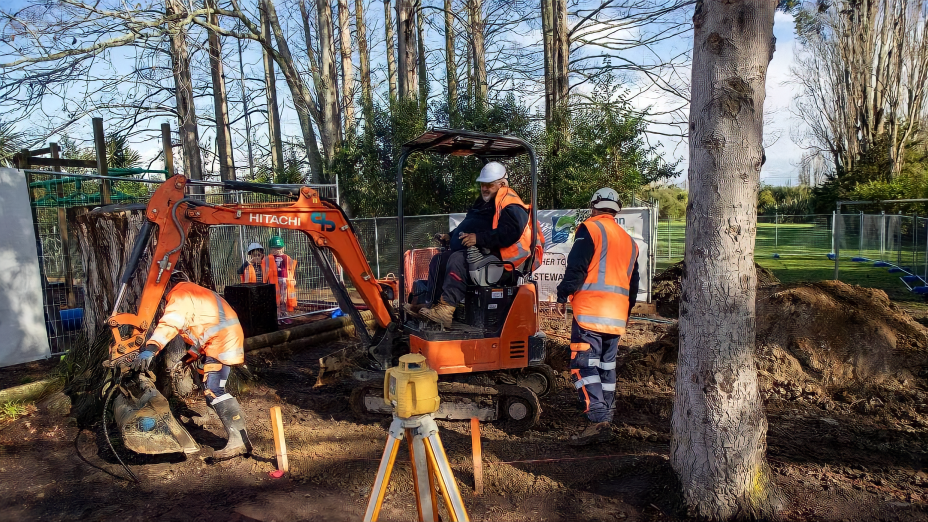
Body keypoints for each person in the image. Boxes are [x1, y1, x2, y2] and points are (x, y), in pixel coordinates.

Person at [555, 188, 640, 446]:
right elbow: (633, 283)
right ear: (617, 210)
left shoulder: (589, 230)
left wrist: (562, 295)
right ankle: (607, 416)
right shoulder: (629, 241)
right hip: (616, 316)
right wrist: (626, 312)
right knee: (606, 366)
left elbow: (577, 267)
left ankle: (599, 418)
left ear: (594, 207)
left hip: (590, 313)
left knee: (583, 365)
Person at [131, 279, 252, 459]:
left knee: (214, 389)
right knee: (207, 381)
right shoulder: (195, 294)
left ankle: (239, 440)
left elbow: (171, 323)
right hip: (221, 337)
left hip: (221, 341)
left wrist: (151, 348)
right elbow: (202, 331)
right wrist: (186, 359)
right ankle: (213, 416)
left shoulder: (180, 295)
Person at [411, 162, 542, 327]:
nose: (484, 188)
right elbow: (471, 224)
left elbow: (509, 233)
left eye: (489, 184)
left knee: (458, 260)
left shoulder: (511, 205)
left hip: (502, 266)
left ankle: (446, 309)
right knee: (440, 259)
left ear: (502, 184)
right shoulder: (484, 203)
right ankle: (432, 306)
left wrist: (478, 239)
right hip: (485, 257)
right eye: (482, 184)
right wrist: (450, 236)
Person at [267, 235, 298, 324]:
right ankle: (277, 317)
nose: (277, 250)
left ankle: (284, 316)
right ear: (271, 249)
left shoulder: (286, 257)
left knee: (283, 299)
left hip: (284, 280)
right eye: (275, 248)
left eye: (279, 248)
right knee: (275, 300)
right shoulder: (268, 258)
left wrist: (293, 279)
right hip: (273, 282)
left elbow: (291, 269)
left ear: (283, 248)